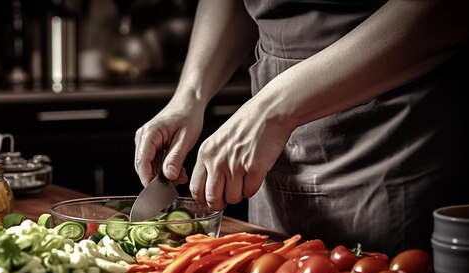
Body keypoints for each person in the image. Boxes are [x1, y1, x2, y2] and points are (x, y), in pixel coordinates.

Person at [133, 0, 469, 256]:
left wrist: (272, 110)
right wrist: (190, 96)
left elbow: (446, 11)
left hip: (397, 134)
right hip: (270, 137)